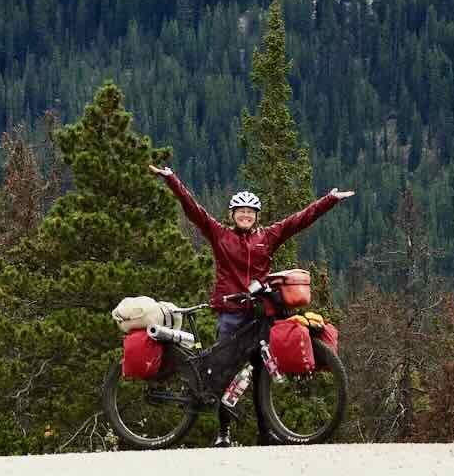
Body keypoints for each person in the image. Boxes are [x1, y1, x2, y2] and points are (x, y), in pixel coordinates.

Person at [148, 164, 354, 447]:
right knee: (223, 374)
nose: (245, 215)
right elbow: (193, 210)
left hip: (258, 314)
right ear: (232, 215)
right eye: (240, 211)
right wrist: (171, 179)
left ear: (256, 216)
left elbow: (298, 221)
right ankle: (223, 434)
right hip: (231, 314)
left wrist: (328, 200)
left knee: (261, 373)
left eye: (250, 212)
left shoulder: (267, 237)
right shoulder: (220, 235)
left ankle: (265, 433)